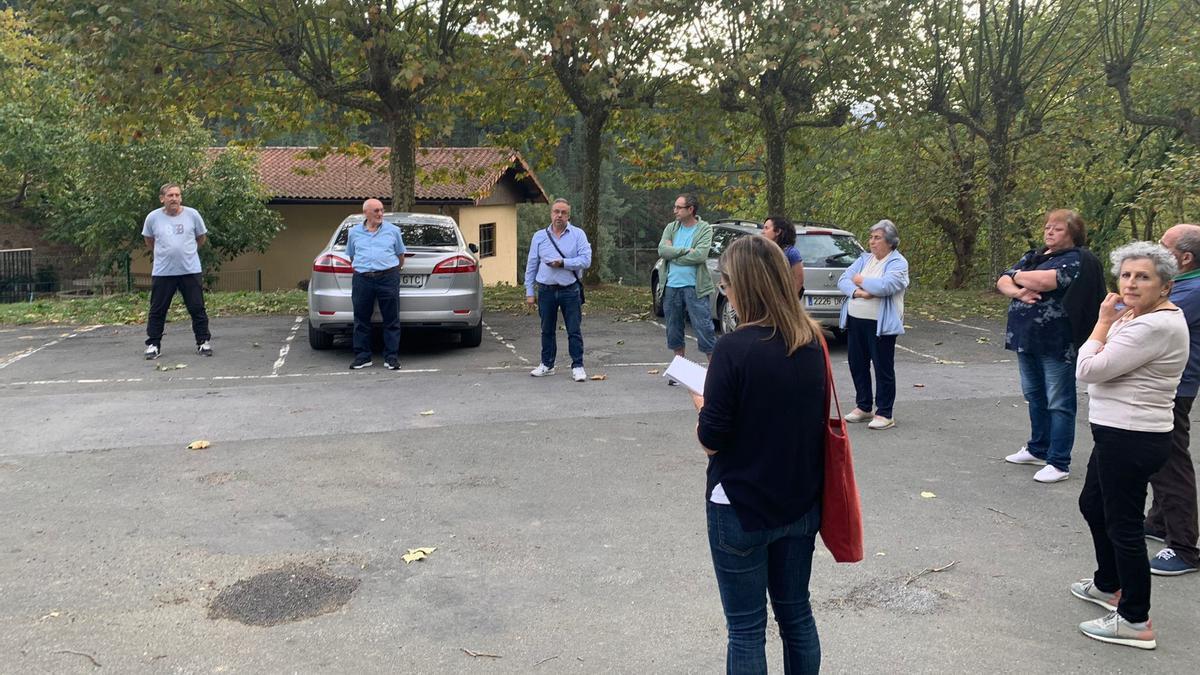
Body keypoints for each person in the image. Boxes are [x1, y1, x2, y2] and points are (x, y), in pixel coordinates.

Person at [693, 234, 827, 673]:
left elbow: (712, 439)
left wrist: (702, 406)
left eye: (726, 282)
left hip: (740, 505)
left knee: (747, 629)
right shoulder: (812, 342)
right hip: (799, 502)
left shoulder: (733, 348)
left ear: (744, 286)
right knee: (797, 616)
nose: (723, 291)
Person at [1071, 242, 1188, 650]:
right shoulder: (1139, 315)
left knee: (1124, 525)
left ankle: (1135, 620)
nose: (1132, 283)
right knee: (1093, 504)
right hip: (1116, 433)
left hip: (1133, 436)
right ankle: (1109, 584)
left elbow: (1088, 369)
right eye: (1126, 275)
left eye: (1143, 277)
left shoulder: (1152, 325)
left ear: (1166, 286)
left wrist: (1102, 323)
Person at [998, 209, 1105, 483]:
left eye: (1057, 229)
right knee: (1034, 395)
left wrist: (1017, 275)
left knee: (1059, 401)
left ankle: (1059, 461)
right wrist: (1018, 289)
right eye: (1047, 227)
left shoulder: (1076, 259)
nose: (1049, 232)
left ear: (1072, 234)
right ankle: (1038, 448)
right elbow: (1002, 279)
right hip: (1026, 338)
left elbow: (1047, 281)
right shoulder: (1035, 256)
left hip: (1058, 341)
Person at [1144, 223, 1200, 576]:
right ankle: (1159, 520)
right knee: (1158, 456)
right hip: (1168, 384)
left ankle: (1183, 545)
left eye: (1162, 246)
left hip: (1173, 387)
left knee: (1171, 463)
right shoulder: (1181, 284)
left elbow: (1139, 313)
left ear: (1184, 257)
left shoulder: (1191, 290)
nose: (1155, 250)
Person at [837, 219, 909, 430]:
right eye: (871, 237)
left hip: (881, 324)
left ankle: (885, 413)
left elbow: (886, 286)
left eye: (877, 238)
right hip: (856, 320)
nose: (872, 242)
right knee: (857, 364)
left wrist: (859, 279)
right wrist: (859, 291)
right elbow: (843, 279)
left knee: (882, 367)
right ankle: (864, 406)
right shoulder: (864, 259)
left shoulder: (898, 263)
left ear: (890, 241)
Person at [524, 198, 592, 382]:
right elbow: (531, 265)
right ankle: (547, 364)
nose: (559, 216)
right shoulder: (539, 236)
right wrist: (529, 292)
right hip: (545, 290)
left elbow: (586, 260)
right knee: (546, 329)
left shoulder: (578, 235)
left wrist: (563, 263)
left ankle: (578, 366)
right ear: (551, 213)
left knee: (574, 330)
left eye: (563, 212)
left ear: (569, 215)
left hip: (569, 290)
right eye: (556, 212)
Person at [142, 183, 212, 360]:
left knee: (197, 308)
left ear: (181, 197)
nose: (174, 199)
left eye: (177, 195)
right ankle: (153, 344)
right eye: (170, 195)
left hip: (190, 270)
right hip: (163, 272)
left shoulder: (193, 215)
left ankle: (203, 342)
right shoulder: (153, 218)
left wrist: (186, 252)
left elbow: (201, 237)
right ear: (162, 198)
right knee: (157, 310)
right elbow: (149, 240)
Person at [658, 193, 718, 369]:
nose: (674, 210)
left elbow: (700, 256)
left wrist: (674, 254)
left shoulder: (704, 229)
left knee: (704, 328)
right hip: (671, 286)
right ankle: (680, 369)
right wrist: (685, 251)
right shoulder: (671, 227)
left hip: (695, 287)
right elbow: (662, 250)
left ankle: (715, 371)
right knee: (673, 329)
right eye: (675, 207)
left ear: (690, 209)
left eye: (679, 207)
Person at [346, 198, 406, 371]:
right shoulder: (354, 232)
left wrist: (392, 270)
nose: (380, 214)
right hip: (362, 279)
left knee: (391, 319)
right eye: (376, 211)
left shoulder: (393, 231)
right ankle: (362, 357)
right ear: (366, 213)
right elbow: (352, 256)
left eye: (381, 210)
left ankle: (391, 357)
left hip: (387, 277)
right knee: (361, 319)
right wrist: (364, 268)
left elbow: (400, 255)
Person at [763, 215, 805, 297]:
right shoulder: (764, 251)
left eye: (766, 228)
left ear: (778, 231)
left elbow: (799, 280)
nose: (763, 231)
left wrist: (787, 299)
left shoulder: (791, 253)